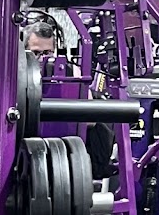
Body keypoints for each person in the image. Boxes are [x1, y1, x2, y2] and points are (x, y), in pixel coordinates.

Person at [23, 19, 115, 183]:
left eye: (47, 53)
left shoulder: (71, 72)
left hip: (64, 150)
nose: (42, 59)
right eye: (36, 53)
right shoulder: (17, 76)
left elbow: (90, 121)